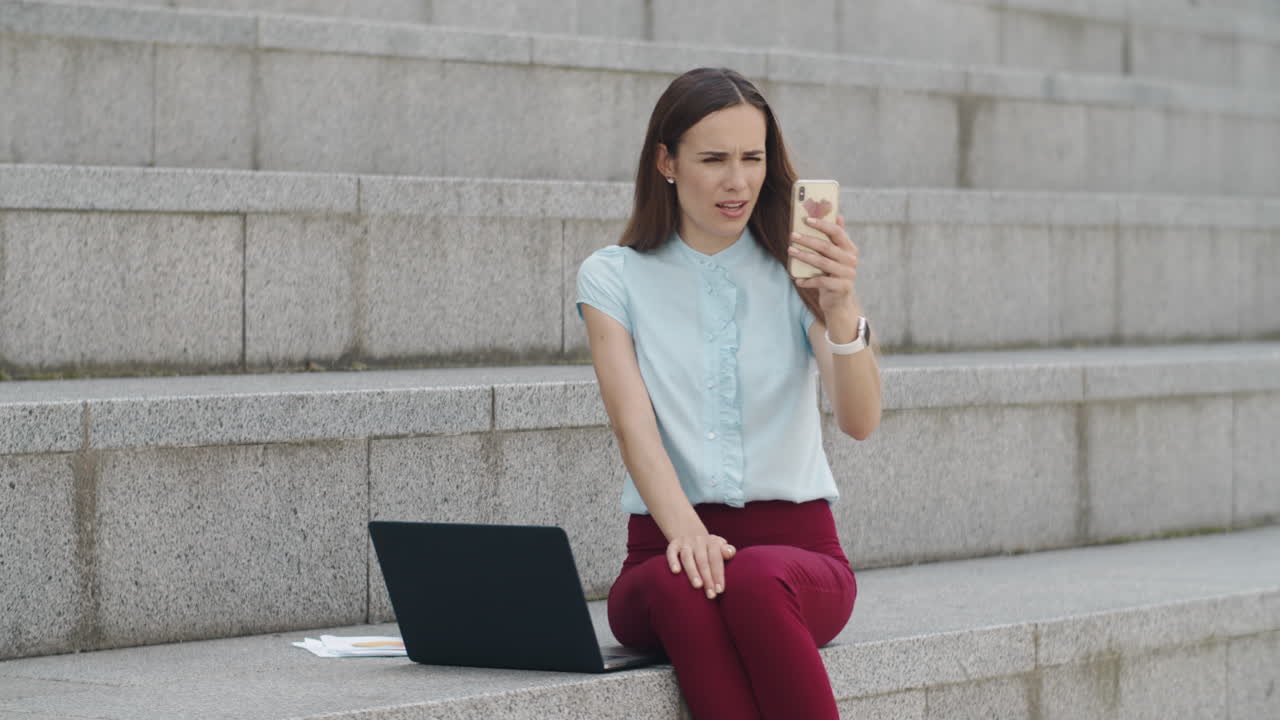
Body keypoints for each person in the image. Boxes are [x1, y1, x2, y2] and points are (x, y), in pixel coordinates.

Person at [575, 67, 882, 720]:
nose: (737, 181)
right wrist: (690, 536)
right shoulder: (612, 277)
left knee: (754, 580)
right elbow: (633, 426)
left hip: (799, 559)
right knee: (685, 583)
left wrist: (841, 305)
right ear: (666, 162)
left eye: (752, 158)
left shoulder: (798, 272)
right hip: (663, 550)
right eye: (714, 159)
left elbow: (859, 420)